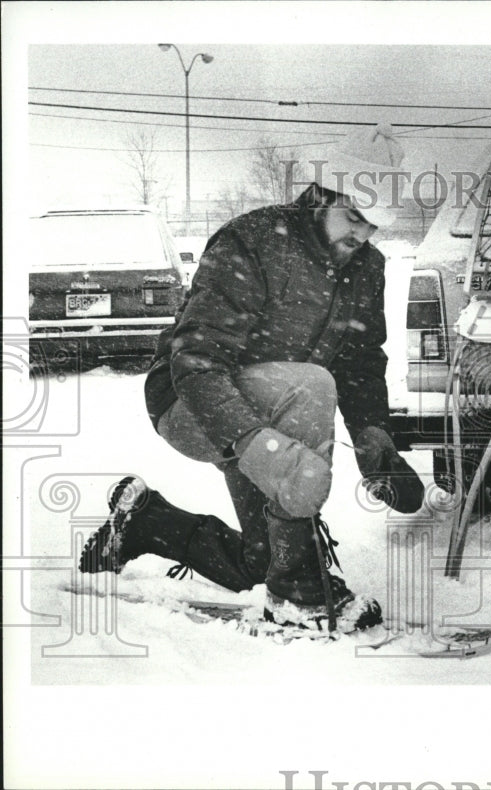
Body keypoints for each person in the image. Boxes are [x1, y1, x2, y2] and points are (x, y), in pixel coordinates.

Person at [78, 123, 425, 633]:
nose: (362, 235)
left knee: (269, 561)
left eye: (373, 226)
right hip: (192, 402)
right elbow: (195, 360)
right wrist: (257, 445)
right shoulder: (254, 241)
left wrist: (374, 437)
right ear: (319, 198)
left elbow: (360, 360)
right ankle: (298, 598)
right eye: (354, 217)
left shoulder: (367, 266)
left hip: (279, 413)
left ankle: (147, 522)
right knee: (311, 386)